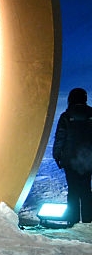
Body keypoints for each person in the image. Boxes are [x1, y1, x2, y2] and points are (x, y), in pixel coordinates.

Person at [52, 88, 92, 224]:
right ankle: (88, 218)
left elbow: (60, 138)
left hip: (70, 159)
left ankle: (73, 219)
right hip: (88, 159)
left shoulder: (66, 116)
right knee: (86, 189)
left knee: (73, 190)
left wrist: (57, 155)